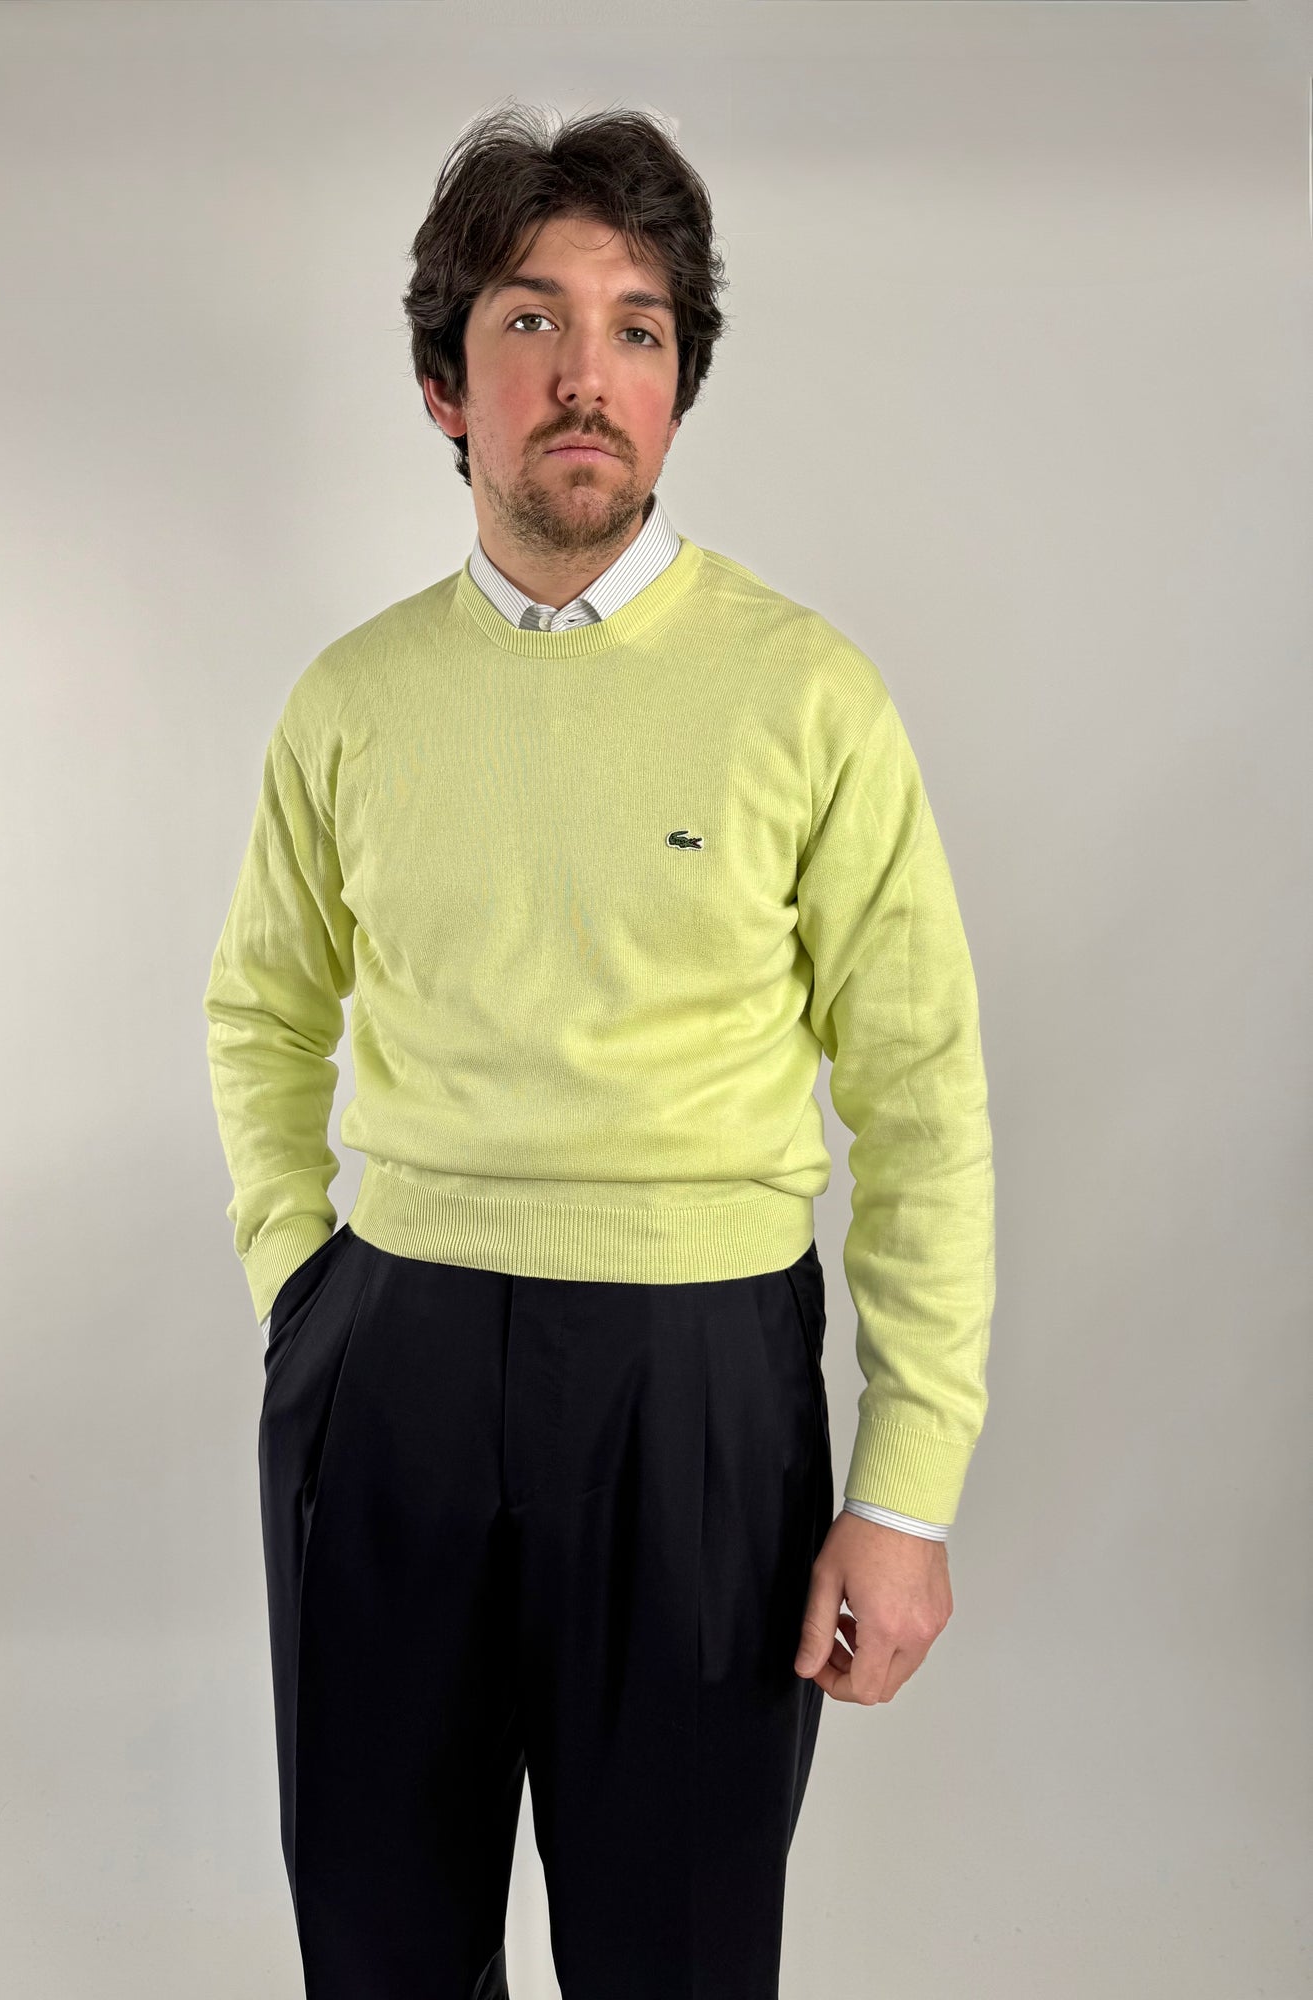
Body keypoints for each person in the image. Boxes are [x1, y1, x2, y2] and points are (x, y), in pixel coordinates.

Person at [202, 98, 995, 2000]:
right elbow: (264, 1010)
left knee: (679, 1958)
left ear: (677, 389)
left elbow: (920, 1097)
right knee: (380, 1948)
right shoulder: (352, 700)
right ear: (444, 385)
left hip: (696, 1384)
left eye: (637, 328)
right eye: (532, 320)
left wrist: (904, 1490)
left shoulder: (807, 695)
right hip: (389, 1365)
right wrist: (300, 1286)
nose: (586, 373)